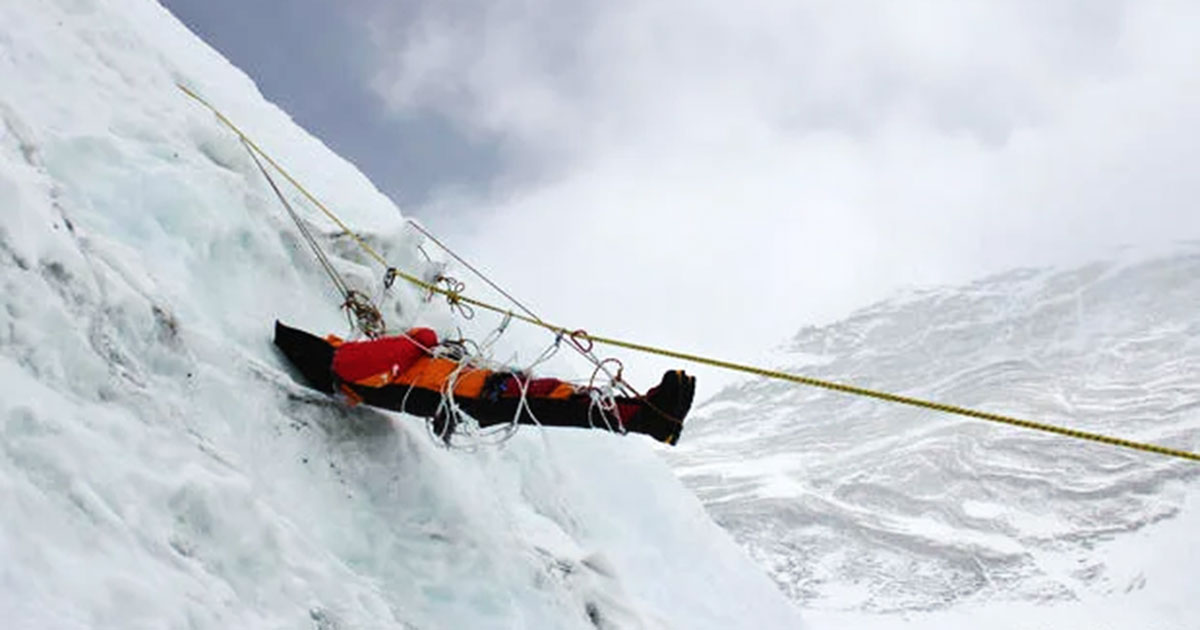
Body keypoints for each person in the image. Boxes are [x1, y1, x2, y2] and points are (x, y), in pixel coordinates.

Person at [273, 321, 695, 445]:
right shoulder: (343, 363)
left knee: (552, 396)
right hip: (466, 393)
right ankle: (645, 418)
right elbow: (416, 340)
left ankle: (644, 414)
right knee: (552, 400)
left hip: (463, 393)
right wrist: (421, 340)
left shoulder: (350, 375)